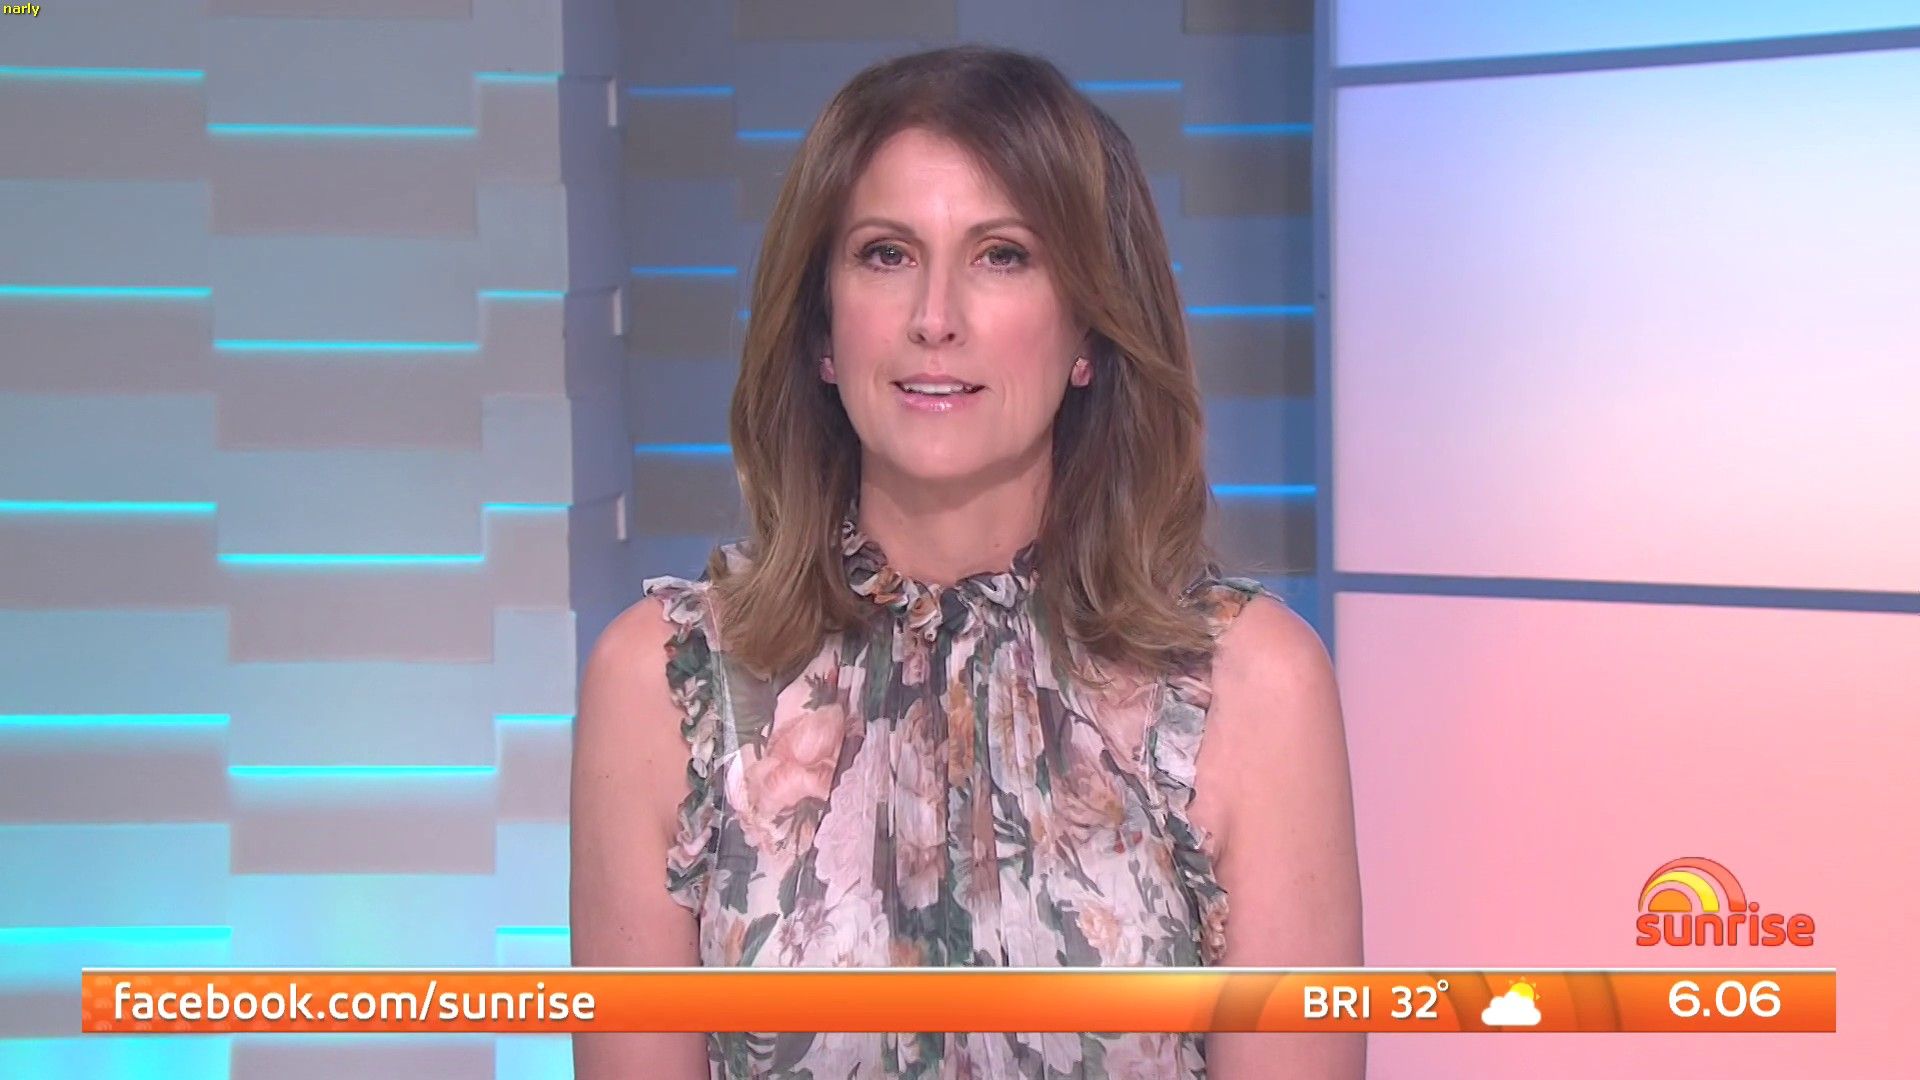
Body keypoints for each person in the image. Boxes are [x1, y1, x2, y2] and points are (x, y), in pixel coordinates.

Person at [571, 43, 1363, 1080]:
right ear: (822, 331)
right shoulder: (663, 687)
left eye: (1002, 255)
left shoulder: (1252, 687)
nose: (934, 319)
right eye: (886, 254)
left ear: (1089, 332)